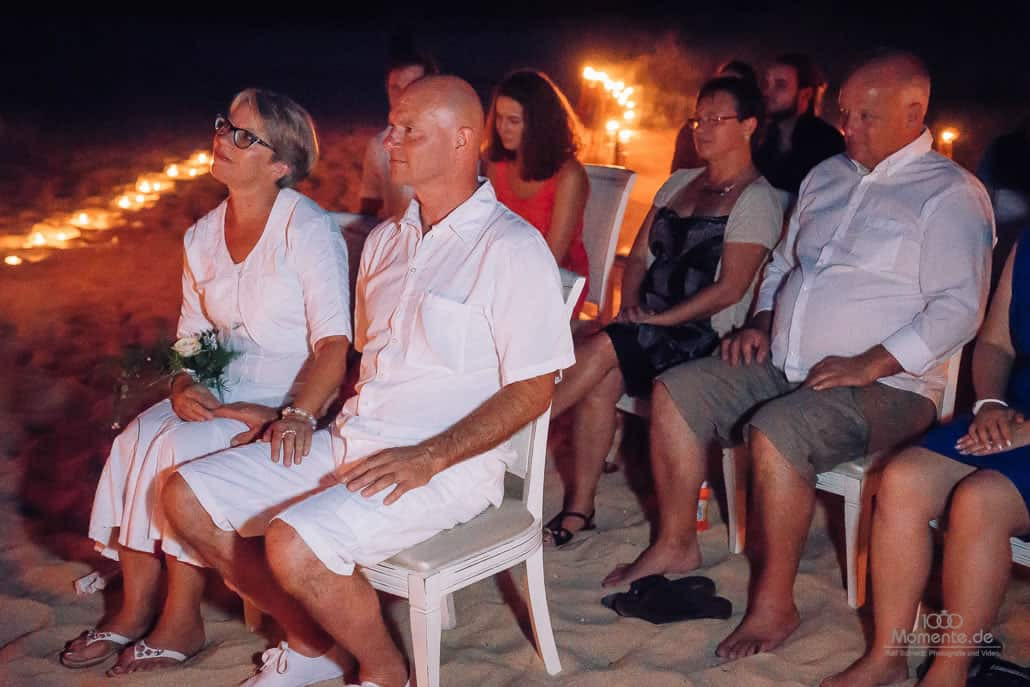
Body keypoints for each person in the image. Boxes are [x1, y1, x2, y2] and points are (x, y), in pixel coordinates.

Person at [160, 75, 575, 687]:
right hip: (352, 439)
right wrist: (295, 414)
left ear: (462, 142)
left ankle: (385, 672)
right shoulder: (385, 241)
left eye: (410, 129)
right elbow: (363, 362)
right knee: (184, 497)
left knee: (293, 543)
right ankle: (311, 643)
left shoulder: (511, 249)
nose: (391, 139)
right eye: (392, 124)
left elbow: (534, 390)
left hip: (447, 466)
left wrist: (430, 456)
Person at [602, 51, 995, 662]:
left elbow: (959, 309)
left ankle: (774, 604)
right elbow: (783, 264)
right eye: (846, 114)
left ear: (914, 111)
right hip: (783, 363)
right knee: (678, 388)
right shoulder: (826, 176)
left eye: (866, 116)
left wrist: (869, 363)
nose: (850, 128)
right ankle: (678, 542)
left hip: (891, 387)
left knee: (777, 427)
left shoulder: (950, 195)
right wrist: (760, 321)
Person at [61, 89, 352, 674]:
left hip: (287, 400)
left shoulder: (309, 231)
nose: (223, 138)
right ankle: (134, 607)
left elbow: (333, 346)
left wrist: (292, 413)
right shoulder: (200, 236)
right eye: (225, 126)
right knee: (136, 438)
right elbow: (191, 337)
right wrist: (182, 383)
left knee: (176, 449)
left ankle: (181, 619)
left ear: (280, 167)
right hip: (221, 395)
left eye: (244, 136)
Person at [543, 76, 783, 546]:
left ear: (750, 126)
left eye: (718, 118)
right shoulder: (679, 183)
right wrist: (631, 305)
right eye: (699, 118)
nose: (703, 128)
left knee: (607, 347)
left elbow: (729, 290)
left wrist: (658, 320)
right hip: (648, 326)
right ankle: (580, 508)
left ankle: (518, 428)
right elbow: (637, 259)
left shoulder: (758, 199)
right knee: (604, 370)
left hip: (703, 336)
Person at [821, 234, 1030, 687]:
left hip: (1025, 431)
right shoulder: (1027, 243)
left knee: (980, 501)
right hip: (1012, 414)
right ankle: (886, 655)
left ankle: (949, 670)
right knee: (902, 480)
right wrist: (990, 403)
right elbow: (996, 344)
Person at [484, 69, 591, 316]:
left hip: (554, 280)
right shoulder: (497, 165)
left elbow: (553, 257)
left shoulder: (569, 176)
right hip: (503, 274)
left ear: (538, 124)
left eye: (513, 121)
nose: (502, 128)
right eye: (499, 118)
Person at [358, 50, 438, 220]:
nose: (402, 96)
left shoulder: (448, 143)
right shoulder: (379, 145)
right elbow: (368, 209)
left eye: (411, 86)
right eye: (395, 88)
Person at [754, 53, 846, 196]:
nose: (767, 92)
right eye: (766, 83)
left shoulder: (827, 143)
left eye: (780, 85)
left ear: (805, 95)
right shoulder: (760, 137)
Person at [670, 60, 759, 173]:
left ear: (748, 126)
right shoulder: (689, 133)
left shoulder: (765, 145)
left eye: (715, 119)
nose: (700, 129)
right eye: (717, 84)